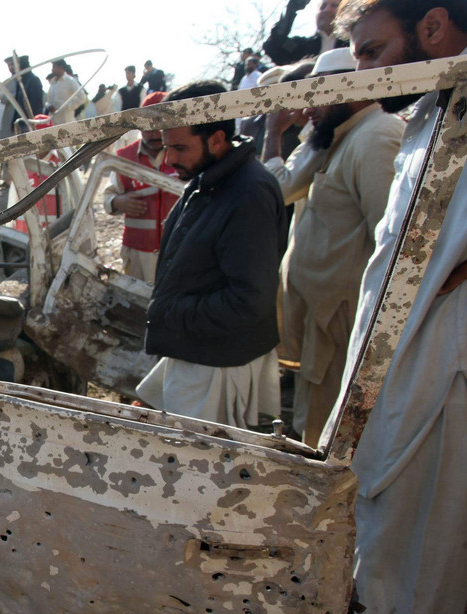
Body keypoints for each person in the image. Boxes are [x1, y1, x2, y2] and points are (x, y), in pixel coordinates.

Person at [326, 3, 467, 614]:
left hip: (453, 352)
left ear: (432, 28)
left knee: (428, 531)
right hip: (407, 354)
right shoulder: (439, 102)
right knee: (391, 521)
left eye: (374, 51)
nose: (364, 71)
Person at [261, 48, 404, 445]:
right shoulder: (337, 137)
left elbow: (396, 247)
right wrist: (275, 134)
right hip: (322, 324)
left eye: (317, 97)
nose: (307, 110)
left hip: (341, 324)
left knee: (333, 436)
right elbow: (281, 188)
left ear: (348, 88)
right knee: (314, 424)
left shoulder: (376, 136)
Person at [136, 80, 285, 429]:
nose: (169, 159)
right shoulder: (210, 178)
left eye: (179, 148)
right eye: (166, 147)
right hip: (198, 352)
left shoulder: (248, 194)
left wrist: (171, 313)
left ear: (217, 139)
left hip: (218, 365)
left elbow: (248, 301)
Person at [103, 92, 180, 284]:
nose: (154, 133)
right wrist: (118, 202)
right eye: (148, 126)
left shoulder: (183, 153)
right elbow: (107, 198)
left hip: (178, 251)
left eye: (160, 126)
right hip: (138, 253)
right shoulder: (124, 158)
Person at [265, 0, 347, 65]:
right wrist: (291, 9)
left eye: (334, 6)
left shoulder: (351, 45)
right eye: (323, 6)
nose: (326, 10)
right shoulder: (302, 46)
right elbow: (273, 46)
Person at [2, 55, 45, 135]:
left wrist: (33, 124)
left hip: (30, 126)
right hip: (20, 124)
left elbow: (37, 105)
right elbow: (17, 105)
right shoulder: (20, 82)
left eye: (15, 64)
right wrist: (13, 123)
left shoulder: (34, 80)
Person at [46, 59, 85, 125]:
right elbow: (48, 101)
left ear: (61, 67)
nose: (52, 70)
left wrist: (67, 107)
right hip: (53, 122)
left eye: (54, 67)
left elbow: (82, 97)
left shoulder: (70, 81)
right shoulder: (53, 82)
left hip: (66, 121)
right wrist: (49, 106)